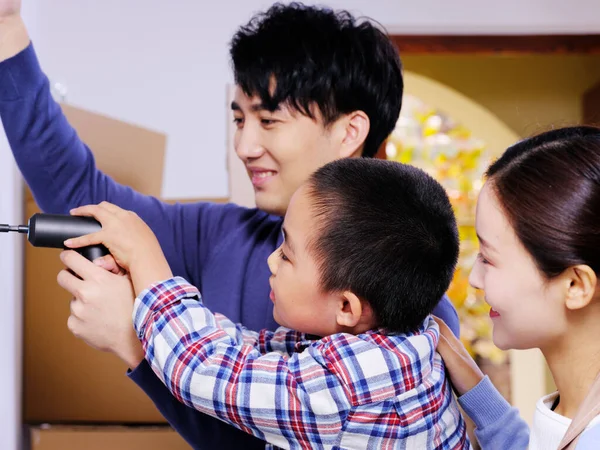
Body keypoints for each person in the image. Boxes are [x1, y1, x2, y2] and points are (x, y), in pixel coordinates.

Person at [0, 2, 460, 448]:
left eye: (268, 120)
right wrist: (8, 27)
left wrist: (132, 339)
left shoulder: (413, 312)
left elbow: (262, 428)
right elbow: (80, 193)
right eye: (239, 119)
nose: (244, 145)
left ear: (349, 132)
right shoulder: (225, 232)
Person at [59, 158, 470, 449]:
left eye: (287, 254)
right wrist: (141, 301)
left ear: (347, 307)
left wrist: (150, 263)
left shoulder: (348, 386)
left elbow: (200, 369)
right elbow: (251, 352)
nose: (271, 261)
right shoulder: (402, 338)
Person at [432, 126, 600, 449]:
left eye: (489, 259)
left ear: (576, 285)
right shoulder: (574, 413)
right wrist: (474, 386)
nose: (474, 279)